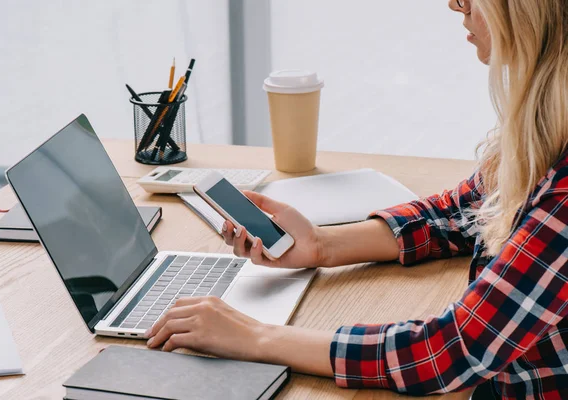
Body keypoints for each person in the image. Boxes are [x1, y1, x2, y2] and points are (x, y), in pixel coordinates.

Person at [145, 0, 568, 398]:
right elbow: (460, 210)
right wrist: (322, 246)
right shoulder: (546, 128)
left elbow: (450, 351)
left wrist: (256, 337)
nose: (454, 5)